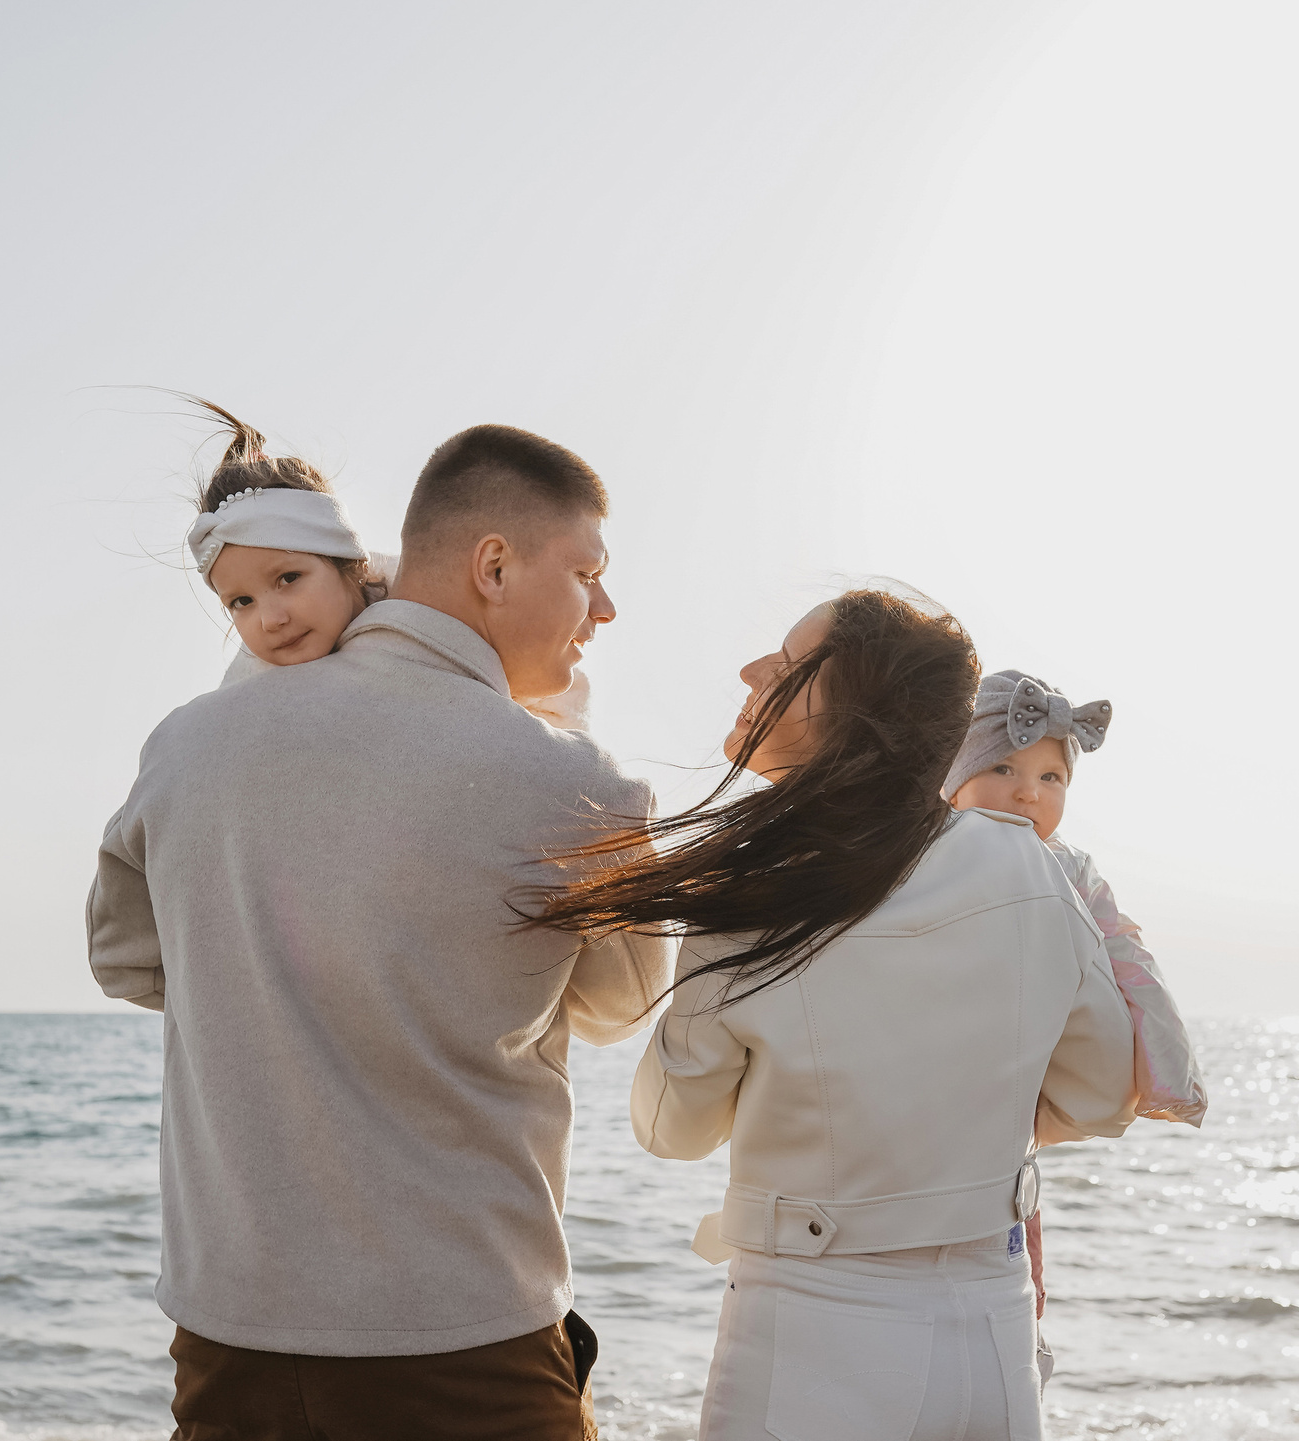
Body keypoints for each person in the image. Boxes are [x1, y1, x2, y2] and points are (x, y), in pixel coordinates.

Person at [85, 421, 673, 1440]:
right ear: (493, 564)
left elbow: (127, 960)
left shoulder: (183, 747)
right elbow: (621, 1004)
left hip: (231, 1341)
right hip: (463, 1342)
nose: (605, 607)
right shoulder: (580, 782)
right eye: (586, 571)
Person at [533, 592, 1141, 1441]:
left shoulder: (760, 886)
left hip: (817, 1341)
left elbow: (672, 1129)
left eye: (785, 666)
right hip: (994, 1341)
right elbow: (1106, 1093)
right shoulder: (1031, 867)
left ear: (858, 716)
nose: (752, 674)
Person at [941, 667, 1206, 1380]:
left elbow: (1132, 963)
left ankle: (1023, 1346)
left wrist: (1169, 1075)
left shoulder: (1071, 868)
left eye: (1051, 776)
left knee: (1014, 1219)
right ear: (952, 773)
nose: (1028, 790)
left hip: (1026, 1080)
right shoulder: (924, 854)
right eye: (1003, 766)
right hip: (938, 1073)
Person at [177, 395, 589, 727]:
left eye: (288, 578)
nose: (271, 619)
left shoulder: (433, 621)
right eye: (241, 602)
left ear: (350, 564)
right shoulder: (246, 697)